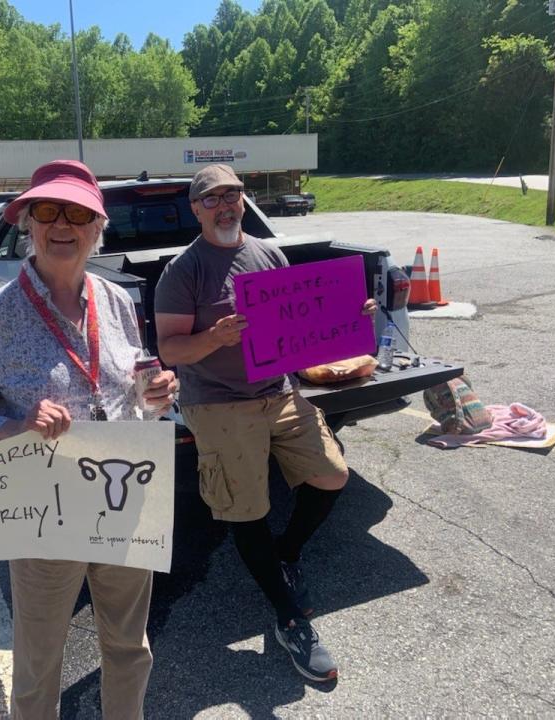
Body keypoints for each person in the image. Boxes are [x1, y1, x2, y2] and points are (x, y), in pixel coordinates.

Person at [0, 159, 178, 719]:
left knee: (129, 647)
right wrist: (16, 428)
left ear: (98, 228)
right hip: (44, 514)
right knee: (39, 660)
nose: (62, 224)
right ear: (28, 223)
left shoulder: (117, 301)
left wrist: (159, 396)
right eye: (47, 211)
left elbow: (134, 391)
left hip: (124, 500)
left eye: (78, 213)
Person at [153, 163, 377, 683]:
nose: (224, 205)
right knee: (246, 509)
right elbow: (169, 347)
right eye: (212, 199)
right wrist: (215, 338)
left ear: (243, 200)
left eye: (232, 194)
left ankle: (286, 553)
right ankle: (290, 617)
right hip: (218, 401)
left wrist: (351, 316)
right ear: (196, 209)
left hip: (278, 391)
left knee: (332, 475)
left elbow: (303, 323)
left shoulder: (267, 252)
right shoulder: (184, 271)